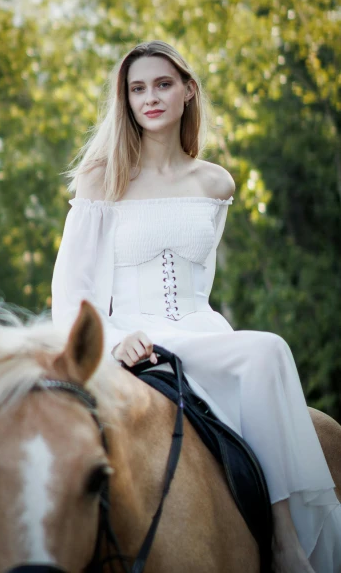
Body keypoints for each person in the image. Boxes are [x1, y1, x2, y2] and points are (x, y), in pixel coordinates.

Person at [51, 40, 341, 573]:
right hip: (135, 336)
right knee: (269, 350)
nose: (150, 98)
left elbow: (200, 279)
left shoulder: (215, 182)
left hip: (204, 330)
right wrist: (115, 338)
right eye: (137, 89)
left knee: (267, 352)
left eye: (163, 84)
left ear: (188, 90)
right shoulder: (102, 178)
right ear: (127, 101)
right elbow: (72, 293)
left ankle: (283, 538)